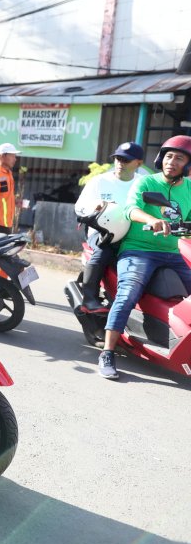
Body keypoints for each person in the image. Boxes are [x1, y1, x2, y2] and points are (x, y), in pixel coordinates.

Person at [98, 135, 191, 379]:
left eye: (179, 158)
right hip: (139, 250)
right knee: (127, 293)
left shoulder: (190, 189)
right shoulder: (147, 183)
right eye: (169, 156)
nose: (172, 161)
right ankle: (107, 352)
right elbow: (131, 209)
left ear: (187, 165)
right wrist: (152, 219)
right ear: (161, 159)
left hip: (172, 252)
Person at [74, 142, 144, 313]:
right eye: (118, 159)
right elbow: (79, 207)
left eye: (126, 160)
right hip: (101, 232)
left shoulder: (143, 184)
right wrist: (96, 208)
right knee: (103, 251)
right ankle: (89, 299)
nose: (120, 163)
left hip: (132, 235)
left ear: (139, 164)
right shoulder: (99, 181)